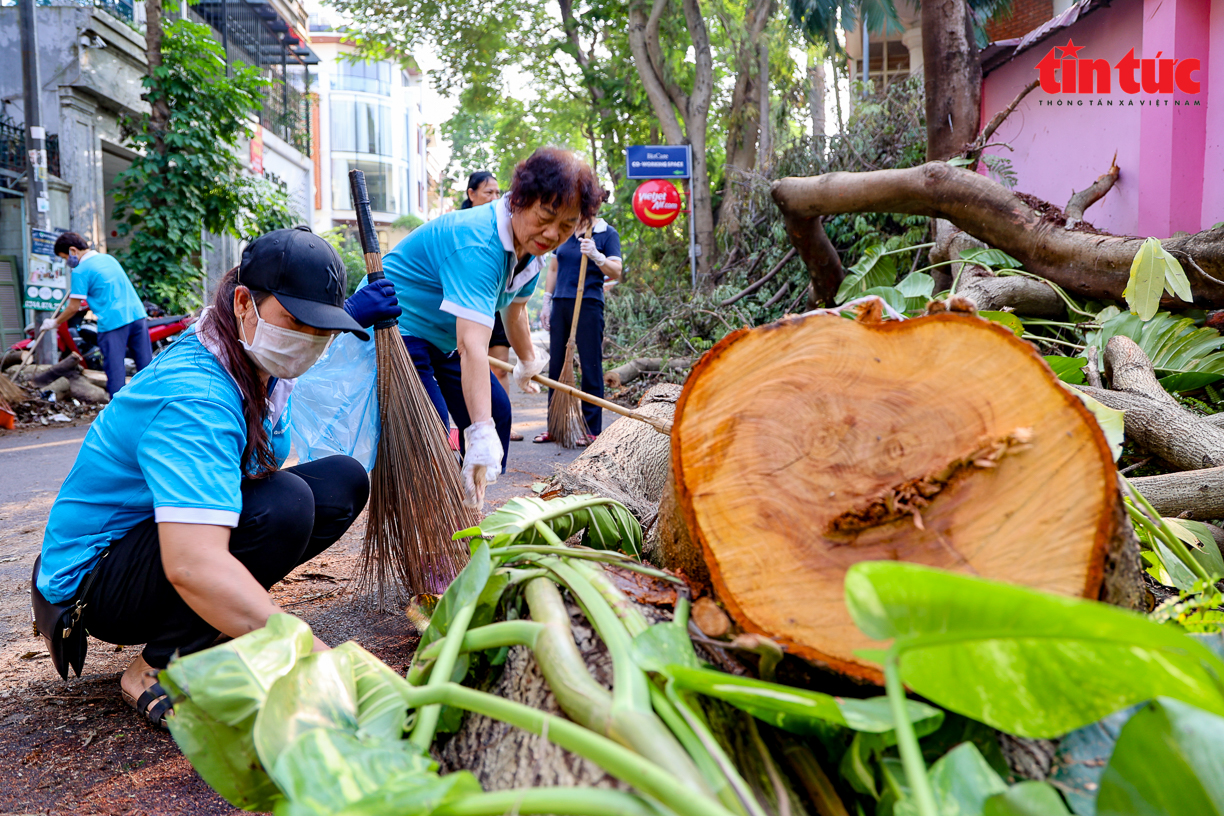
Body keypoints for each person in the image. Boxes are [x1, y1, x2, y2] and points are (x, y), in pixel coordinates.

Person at [32, 226, 401, 729]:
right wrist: (319, 658)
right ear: (245, 303)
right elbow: (192, 563)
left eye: (324, 329)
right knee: (286, 505)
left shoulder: (257, 364)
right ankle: (153, 666)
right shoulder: (197, 394)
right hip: (96, 582)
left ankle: (216, 622)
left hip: (154, 544)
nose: (310, 342)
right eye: (297, 322)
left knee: (342, 481)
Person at [377, 146, 603, 507]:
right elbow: (472, 347)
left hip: (442, 337)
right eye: (545, 215)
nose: (551, 233)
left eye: (566, 225)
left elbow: (515, 311)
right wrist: (478, 431)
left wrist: (528, 361)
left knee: (498, 413)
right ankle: (431, 523)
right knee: (432, 429)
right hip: (397, 325)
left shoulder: (532, 251)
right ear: (519, 201)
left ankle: (469, 507)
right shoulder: (478, 243)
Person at [535, 193, 622, 444]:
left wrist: (597, 256)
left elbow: (616, 270)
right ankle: (555, 427)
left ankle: (592, 429)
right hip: (561, 302)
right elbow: (554, 267)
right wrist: (546, 300)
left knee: (590, 365)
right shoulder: (565, 229)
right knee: (556, 367)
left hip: (588, 303)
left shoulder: (606, 233)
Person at [461, 171, 523, 441]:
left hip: (495, 309)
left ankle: (501, 425)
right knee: (471, 361)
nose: (495, 198)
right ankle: (478, 423)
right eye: (489, 192)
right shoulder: (461, 225)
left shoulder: (506, 229)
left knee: (499, 368)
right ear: (471, 194)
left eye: (498, 193)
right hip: (467, 308)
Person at [50, 232, 152, 396]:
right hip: (137, 316)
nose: (66, 262)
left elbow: (73, 308)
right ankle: (153, 407)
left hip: (114, 322)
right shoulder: (108, 258)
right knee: (146, 367)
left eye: (64, 257)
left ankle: (117, 415)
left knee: (115, 371)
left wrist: (54, 323)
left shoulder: (80, 270)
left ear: (73, 250)